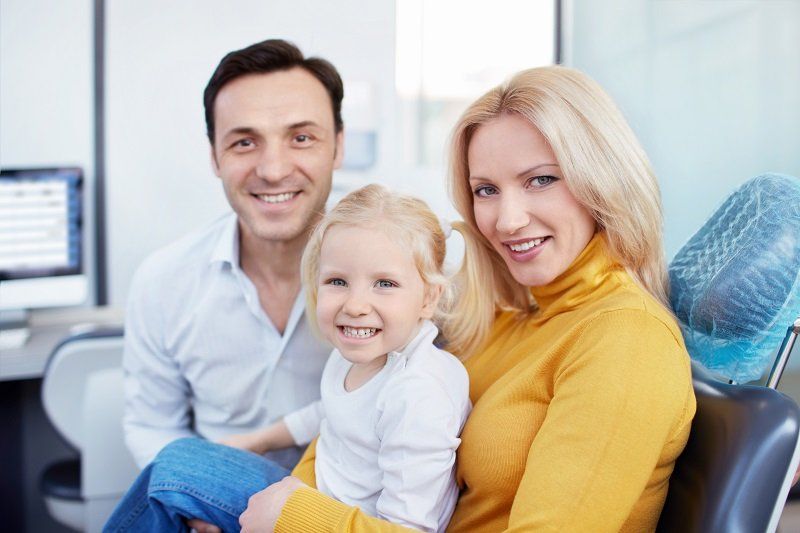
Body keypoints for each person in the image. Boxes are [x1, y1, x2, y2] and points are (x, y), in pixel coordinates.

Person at [117, 65, 698, 533]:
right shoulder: (513, 309)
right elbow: (354, 422)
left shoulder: (626, 341)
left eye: (541, 179)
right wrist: (287, 498)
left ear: (602, 176)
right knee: (178, 473)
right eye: (486, 190)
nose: (507, 218)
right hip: (343, 509)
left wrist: (294, 516)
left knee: (176, 470)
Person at [106, 184, 475, 532]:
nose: (356, 306)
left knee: (175, 468)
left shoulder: (419, 394)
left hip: (315, 519)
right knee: (177, 466)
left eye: (385, 284)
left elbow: (407, 528)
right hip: (307, 494)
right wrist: (257, 441)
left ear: (429, 298)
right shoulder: (358, 356)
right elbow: (329, 412)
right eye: (338, 281)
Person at [122, 38, 345, 471]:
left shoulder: (405, 272)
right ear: (214, 157)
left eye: (301, 138)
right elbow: (151, 425)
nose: (274, 169)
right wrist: (198, 493)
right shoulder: (163, 281)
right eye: (244, 143)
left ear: (337, 146)